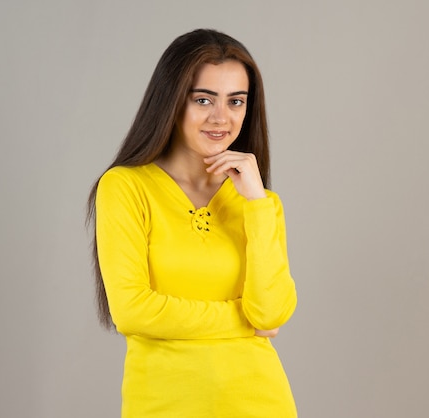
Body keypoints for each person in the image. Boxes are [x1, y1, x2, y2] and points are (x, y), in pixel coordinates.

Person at [86, 29, 298, 417]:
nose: (222, 118)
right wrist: (241, 320)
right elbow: (132, 311)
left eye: (236, 101)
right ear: (171, 102)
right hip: (164, 404)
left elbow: (269, 314)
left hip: (260, 400)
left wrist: (256, 201)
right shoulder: (126, 187)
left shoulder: (260, 204)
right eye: (203, 99)